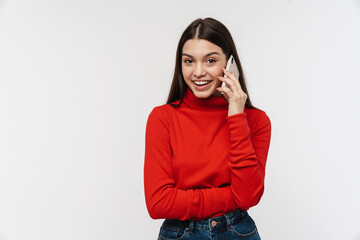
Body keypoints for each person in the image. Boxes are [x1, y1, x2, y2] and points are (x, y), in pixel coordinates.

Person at [144, 17, 271, 240]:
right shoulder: (163, 118)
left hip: (238, 233)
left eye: (210, 60)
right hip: (180, 234)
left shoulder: (256, 121)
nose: (198, 72)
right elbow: (158, 203)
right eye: (189, 61)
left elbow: (248, 196)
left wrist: (236, 116)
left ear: (230, 63)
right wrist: (230, 196)